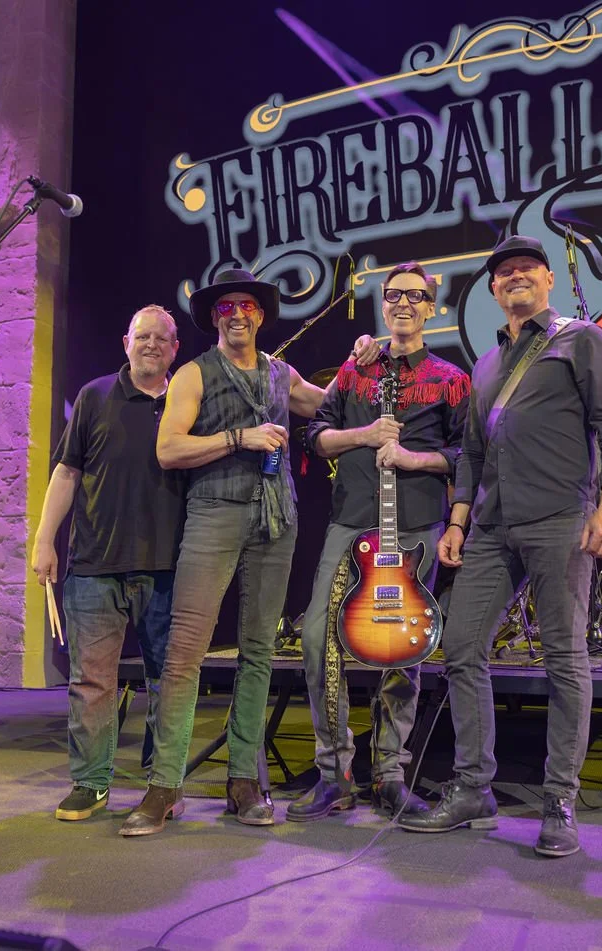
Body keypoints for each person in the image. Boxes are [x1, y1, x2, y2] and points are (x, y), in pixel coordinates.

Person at [399, 235, 602, 857]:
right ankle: (475, 787)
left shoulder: (580, 339)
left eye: (526, 269)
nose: (514, 278)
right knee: (459, 648)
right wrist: (457, 522)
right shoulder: (486, 364)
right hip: (492, 527)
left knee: (565, 659)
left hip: (562, 518)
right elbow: (474, 453)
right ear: (494, 289)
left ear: (548, 279)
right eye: (504, 273)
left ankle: (559, 798)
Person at [119, 268, 378, 836]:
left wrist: (359, 361)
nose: (237, 314)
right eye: (227, 307)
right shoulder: (192, 374)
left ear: (260, 315)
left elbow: (329, 402)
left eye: (247, 306)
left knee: (259, 651)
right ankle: (164, 787)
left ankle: (243, 781)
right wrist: (240, 438)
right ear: (216, 317)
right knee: (186, 653)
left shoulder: (281, 374)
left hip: (276, 519)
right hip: (214, 513)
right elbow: (169, 448)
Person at [289, 262, 470, 822]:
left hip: (415, 528)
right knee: (319, 638)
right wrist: (363, 436)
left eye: (416, 297)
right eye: (393, 295)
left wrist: (416, 458)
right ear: (383, 304)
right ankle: (334, 772)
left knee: (403, 649)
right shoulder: (355, 370)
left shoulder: (451, 378)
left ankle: (390, 772)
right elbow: (315, 435)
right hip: (349, 523)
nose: (403, 304)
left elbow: (470, 456)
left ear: (431, 308)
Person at [31, 305, 184, 821]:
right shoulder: (96, 397)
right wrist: (43, 540)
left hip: (169, 568)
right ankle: (91, 783)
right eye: (142, 336)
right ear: (126, 342)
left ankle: (163, 785)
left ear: (174, 349)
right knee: (92, 682)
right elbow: (67, 473)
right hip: (96, 565)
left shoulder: (187, 402)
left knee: (170, 682)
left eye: (161, 339)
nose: (151, 345)